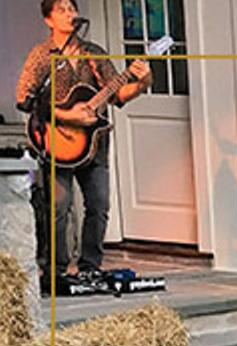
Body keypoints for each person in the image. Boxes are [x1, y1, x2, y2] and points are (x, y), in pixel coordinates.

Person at [14, 0, 152, 290]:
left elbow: (118, 94)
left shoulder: (95, 53)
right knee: (58, 209)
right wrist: (67, 116)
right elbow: (25, 98)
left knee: (99, 206)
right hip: (56, 142)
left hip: (94, 146)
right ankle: (56, 272)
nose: (70, 14)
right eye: (62, 10)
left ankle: (90, 267)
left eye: (72, 9)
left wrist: (141, 82)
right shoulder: (42, 55)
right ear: (49, 20)